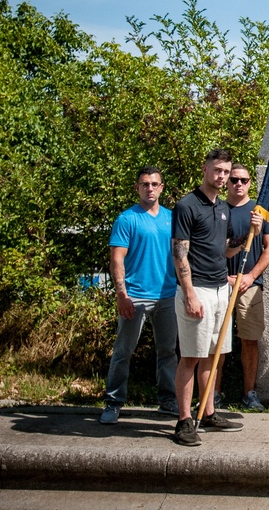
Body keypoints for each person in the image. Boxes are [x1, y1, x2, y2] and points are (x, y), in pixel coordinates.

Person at [171, 149, 262, 446]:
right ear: (205, 169)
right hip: (197, 291)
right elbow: (179, 253)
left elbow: (223, 249)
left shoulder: (221, 207)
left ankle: (207, 411)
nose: (222, 176)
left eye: (225, 171)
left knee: (213, 355)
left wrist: (248, 234)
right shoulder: (187, 205)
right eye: (217, 170)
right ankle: (184, 420)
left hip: (222, 290)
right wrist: (189, 295)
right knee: (190, 357)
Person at [99, 167, 179, 424]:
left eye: (155, 184)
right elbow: (117, 259)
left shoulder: (171, 218)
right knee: (123, 351)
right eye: (145, 184)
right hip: (135, 296)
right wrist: (122, 294)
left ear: (162, 187)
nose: (150, 189)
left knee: (168, 351)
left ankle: (168, 400)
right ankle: (113, 402)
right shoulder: (127, 219)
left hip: (167, 295)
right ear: (137, 188)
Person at [213, 163, 269, 412]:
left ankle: (249, 394)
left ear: (251, 183)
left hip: (249, 286)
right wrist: (223, 275)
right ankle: (213, 395)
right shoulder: (216, 208)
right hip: (218, 284)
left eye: (244, 180)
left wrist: (250, 276)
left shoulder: (260, 211)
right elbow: (210, 248)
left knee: (250, 340)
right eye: (234, 179)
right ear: (227, 181)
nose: (238, 184)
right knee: (217, 341)